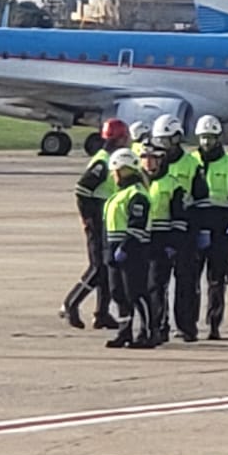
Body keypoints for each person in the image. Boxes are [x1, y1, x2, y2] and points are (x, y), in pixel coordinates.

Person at [62, 119, 129, 330]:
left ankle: (102, 312)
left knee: (108, 267)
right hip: (97, 219)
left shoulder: (111, 158)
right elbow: (82, 189)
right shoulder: (103, 162)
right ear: (120, 138)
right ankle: (72, 302)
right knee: (98, 267)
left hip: (107, 217)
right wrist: (87, 218)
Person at [188, 115, 228, 341]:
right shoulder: (191, 161)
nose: (206, 143)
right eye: (203, 138)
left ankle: (214, 324)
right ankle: (189, 323)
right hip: (196, 227)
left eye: (211, 138)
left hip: (221, 228)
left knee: (217, 280)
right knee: (191, 279)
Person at [151, 115, 206, 342]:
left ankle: (186, 326)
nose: (162, 147)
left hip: (186, 231)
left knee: (186, 282)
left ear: (177, 139)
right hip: (159, 231)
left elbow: (202, 200)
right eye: (159, 141)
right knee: (156, 282)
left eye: (166, 142)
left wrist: (202, 231)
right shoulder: (152, 163)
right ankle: (159, 325)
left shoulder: (192, 164)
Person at [103, 149, 153, 349]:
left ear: (124, 171)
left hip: (133, 250)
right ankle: (124, 332)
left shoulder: (137, 194)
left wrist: (125, 247)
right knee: (118, 293)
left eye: (115, 171)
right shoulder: (119, 195)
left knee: (136, 292)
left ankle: (147, 332)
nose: (113, 176)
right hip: (114, 248)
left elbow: (137, 225)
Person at [141, 143, 189, 345]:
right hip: (141, 239)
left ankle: (160, 326)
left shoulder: (173, 184)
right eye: (145, 157)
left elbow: (179, 218)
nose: (149, 162)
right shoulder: (136, 183)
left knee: (157, 285)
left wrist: (173, 244)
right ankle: (146, 326)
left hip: (162, 239)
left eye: (153, 158)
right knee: (142, 287)